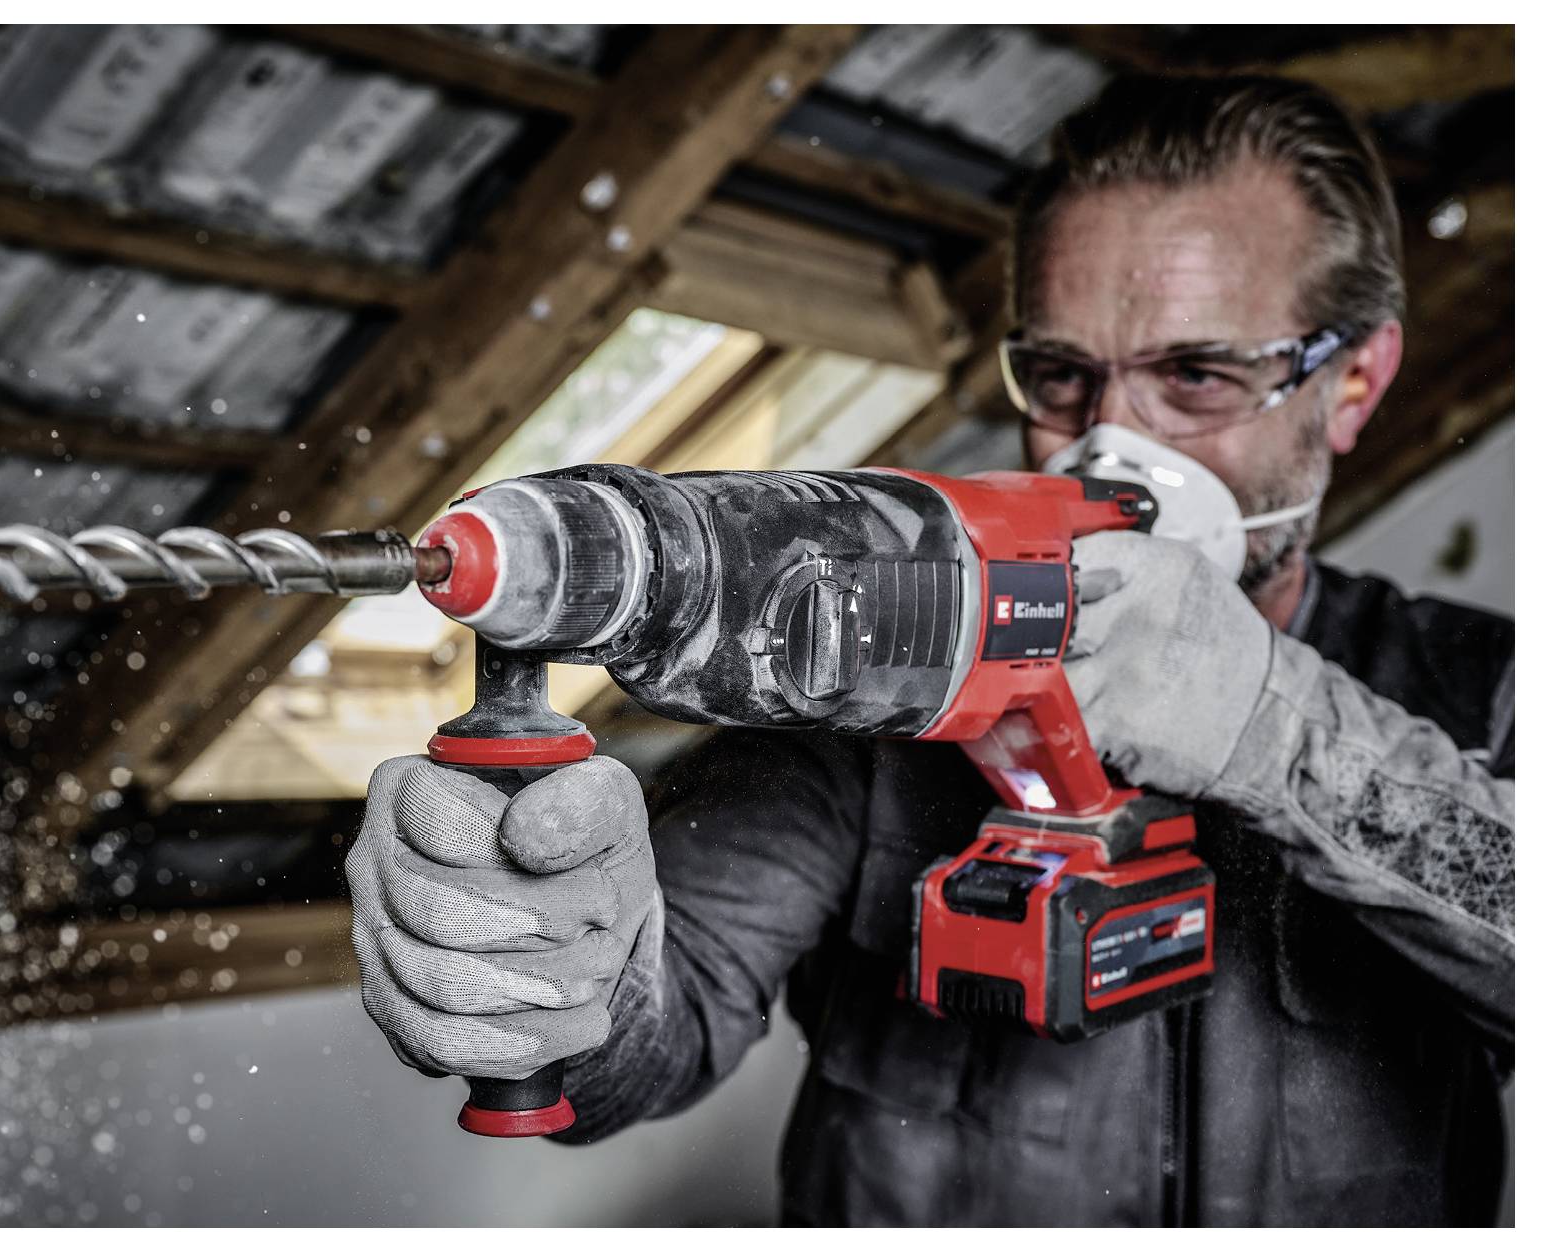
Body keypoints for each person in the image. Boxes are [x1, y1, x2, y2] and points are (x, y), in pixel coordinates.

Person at [346, 74, 1515, 1226]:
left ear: (1356, 380)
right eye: (1060, 377)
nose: (1112, 442)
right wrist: (553, 975)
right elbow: (664, 1008)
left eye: (1197, 376)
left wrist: (1273, 726)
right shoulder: (879, 681)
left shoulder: (1481, 685)